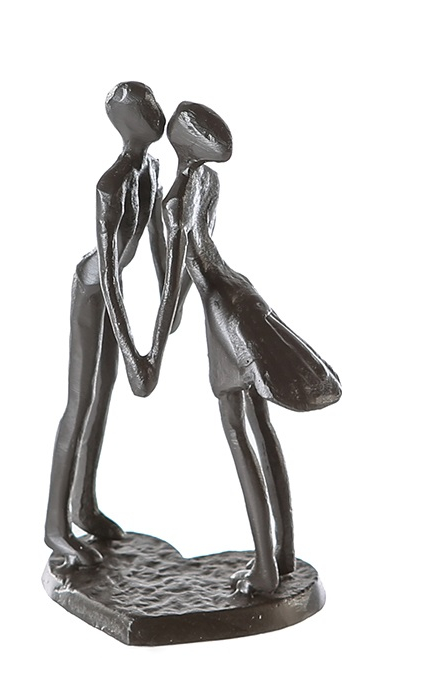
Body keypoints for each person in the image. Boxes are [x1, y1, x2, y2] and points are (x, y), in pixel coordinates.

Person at [163, 102, 342, 593]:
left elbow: (178, 280)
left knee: (236, 430)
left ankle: (265, 568)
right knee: (262, 428)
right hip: (242, 292)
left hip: (221, 310)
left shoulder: (172, 201)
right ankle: (282, 554)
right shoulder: (208, 182)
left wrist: (160, 332)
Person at [45, 82, 183, 567]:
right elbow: (106, 271)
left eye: (154, 106)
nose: (157, 114)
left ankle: (84, 505)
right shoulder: (111, 183)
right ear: (128, 122)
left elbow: (159, 239)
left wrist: (170, 297)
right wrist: (129, 345)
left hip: (111, 287)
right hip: (92, 291)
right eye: (146, 110)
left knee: (102, 398)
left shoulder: (153, 168)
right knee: (79, 402)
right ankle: (55, 528)